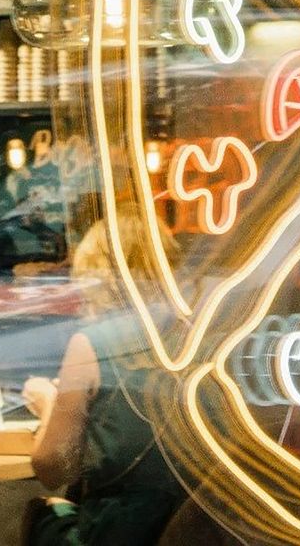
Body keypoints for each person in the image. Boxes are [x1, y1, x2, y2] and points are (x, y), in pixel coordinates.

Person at [21, 206, 186, 546]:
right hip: (186, 527)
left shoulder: (93, 344)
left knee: (43, 513)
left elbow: (54, 469)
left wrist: (50, 403)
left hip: (119, 531)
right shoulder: (193, 341)